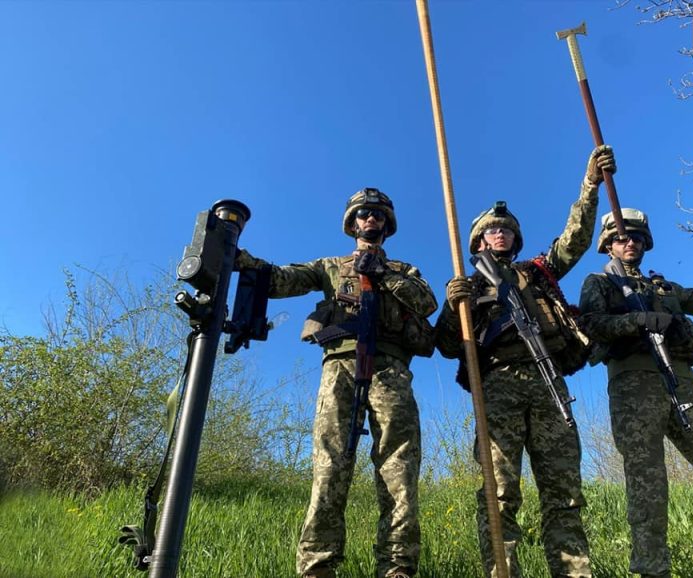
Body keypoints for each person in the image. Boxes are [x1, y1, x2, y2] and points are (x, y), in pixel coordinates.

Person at [434, 145, 616, 578]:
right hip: (497, 386)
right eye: (491, 230)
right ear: (479, 240)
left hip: (548, 382)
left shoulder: (538, 272)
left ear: (516, 239)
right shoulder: (468, 284)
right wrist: (450, 304)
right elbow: (444, 344)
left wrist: (589, 185)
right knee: (499, 495)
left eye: (507, 230)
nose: (500, 234)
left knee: (564, 492)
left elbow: (575, 241)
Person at [235, 188, 437, 578]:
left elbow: (426, 303)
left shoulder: (405, 270)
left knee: (399, 468)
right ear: (353, 223)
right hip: (340, 366)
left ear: (387, 223)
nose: (370, 219)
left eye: (378, 214)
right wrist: (240, 259)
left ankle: (397, 568)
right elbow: (279, 280)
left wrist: (384, 275)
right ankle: (317, 567)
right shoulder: (331, 266)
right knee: (329, 464)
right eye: (363, 214)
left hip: (391, 368)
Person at [578, 208, 693, 578]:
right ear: (608, 245)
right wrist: (639, 320)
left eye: (634, 237)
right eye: (619, 237)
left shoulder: (664, 288)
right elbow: (590, 324)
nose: (628, 242)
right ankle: (652, 570)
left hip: (683, 383)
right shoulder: (599, 284)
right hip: (633, 384)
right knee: (647, 481)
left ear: (644, 242)